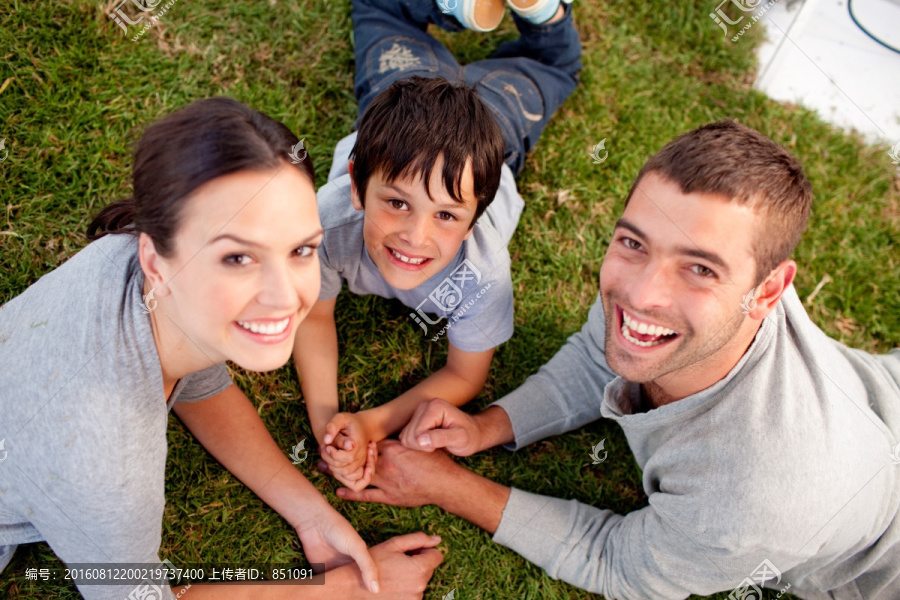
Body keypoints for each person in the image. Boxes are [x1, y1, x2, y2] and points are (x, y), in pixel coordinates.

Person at [337, 119, 900, 600]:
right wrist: (485, 428)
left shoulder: (756, 497)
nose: (642, 293)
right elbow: (596, 355)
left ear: (770, 290)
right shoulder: (727, 283)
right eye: (633, 243)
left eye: (699, 269)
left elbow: (619, 564)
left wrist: (449, 486)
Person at [0, 97, 442, 600]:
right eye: (237, 257)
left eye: (301, 250)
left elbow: (196, 377)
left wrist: (310, 514)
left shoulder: (136, 273)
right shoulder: (105, 471)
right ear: (155, 258)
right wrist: (339, 590)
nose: (286, 295)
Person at [293, 0, 583, 492]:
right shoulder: (327, 220)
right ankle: (458, 7)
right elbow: (314, 316)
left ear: (475, 218)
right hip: (402, 108)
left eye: (446, 215)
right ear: (359, 185)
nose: (416, 237)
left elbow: (463, 375)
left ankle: (543, 13)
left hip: (496, 124)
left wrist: (372, 422)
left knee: (557, 68)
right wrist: (329, 422)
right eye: (397, 204)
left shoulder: (483, 276)